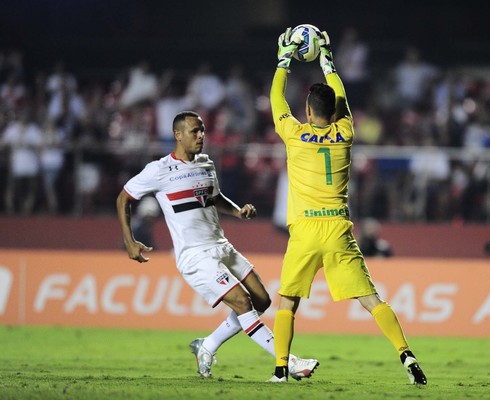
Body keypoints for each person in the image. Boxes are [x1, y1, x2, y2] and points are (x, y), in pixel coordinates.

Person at [268, 28, 428, 385]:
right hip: (339, 229)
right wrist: (327, 59)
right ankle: (407, 355)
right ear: (337, 111)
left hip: (306, 231)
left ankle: (281, 369)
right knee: (372, 300)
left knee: (288, 303)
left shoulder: (293, 134)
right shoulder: (347, 132)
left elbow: (276, 98)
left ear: (307, 111)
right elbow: (340, 95)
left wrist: (284, 59)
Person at [116, 111, 318, 380]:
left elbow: (214, 197)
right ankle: (289, 362)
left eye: (202, 130)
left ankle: (207, 345)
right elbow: (123, 199)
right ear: (178, 135)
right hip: (194, 255)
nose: (201, 136)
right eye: (194, 131)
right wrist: (129, 241)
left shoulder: (206, 163)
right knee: (242, 303)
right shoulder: (159, 170)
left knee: (262, 300)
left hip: (221, 244)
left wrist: (237, 212)